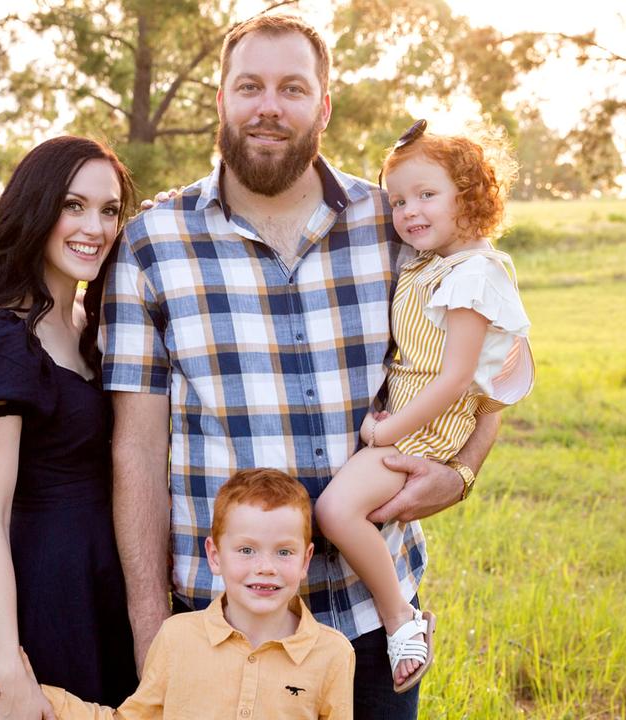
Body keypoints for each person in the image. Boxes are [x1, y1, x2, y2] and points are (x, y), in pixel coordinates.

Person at [102, 13, 501, 718]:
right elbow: (136, 450)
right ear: (220, 100)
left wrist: (462, 470)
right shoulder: (152, 244)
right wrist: (150, 634)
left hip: (372, 618)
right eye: (249, 86)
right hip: (220, 623)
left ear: (323, 106)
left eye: (292, 88)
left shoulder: (396, 225)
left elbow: (495, 355)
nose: (268, 106)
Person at [314, 122, 533, 693]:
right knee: (344, 512)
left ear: (471, 195)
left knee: (336, 512)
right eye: (398, 201)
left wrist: (388, 434)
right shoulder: (428, 262)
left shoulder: (474, 275)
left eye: (426, 195)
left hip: (428, 427)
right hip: (409, 414)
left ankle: (401, 620)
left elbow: (457, 375)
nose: (409, 211)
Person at [0, 135, 139, 719]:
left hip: (105, 587)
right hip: (42, 595)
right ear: (37, 209)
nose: (94, 227)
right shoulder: (3, 338)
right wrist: (11, 670)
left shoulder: (89, 322)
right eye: (73, 206)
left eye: (108, 210)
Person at [0, 469, 356, 719]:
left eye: (284, 552)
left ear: (306, 559)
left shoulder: (332, 654)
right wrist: (39, 698)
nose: (266, 566)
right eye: (246, 550)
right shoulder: (179, 638)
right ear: (215, 555)